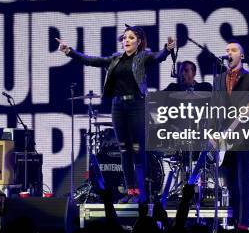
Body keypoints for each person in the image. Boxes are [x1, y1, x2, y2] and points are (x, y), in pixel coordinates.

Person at [57, 26, 175, 203]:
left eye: (131, 38)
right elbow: (91, 60)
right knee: (125, 150)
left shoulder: (143, 57)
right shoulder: (115, 59)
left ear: (139, 41)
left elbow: (158, 57)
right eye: (124, 38)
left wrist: (167, 49)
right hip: (118, 106)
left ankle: (143, 190)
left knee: (137, 149)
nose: (126, 40)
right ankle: (131, 191)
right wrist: (69, 52)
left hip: (137, 104)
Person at [217, 40, 249, 230]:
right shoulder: (219, 78)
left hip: (244, 136)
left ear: (241, 56)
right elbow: (214, 106)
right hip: (224, 138)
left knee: (244, 182)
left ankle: (244, 225)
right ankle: (235, 221)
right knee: (230, 182)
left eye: (233, 50)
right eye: (227, 50)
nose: (229, 53)